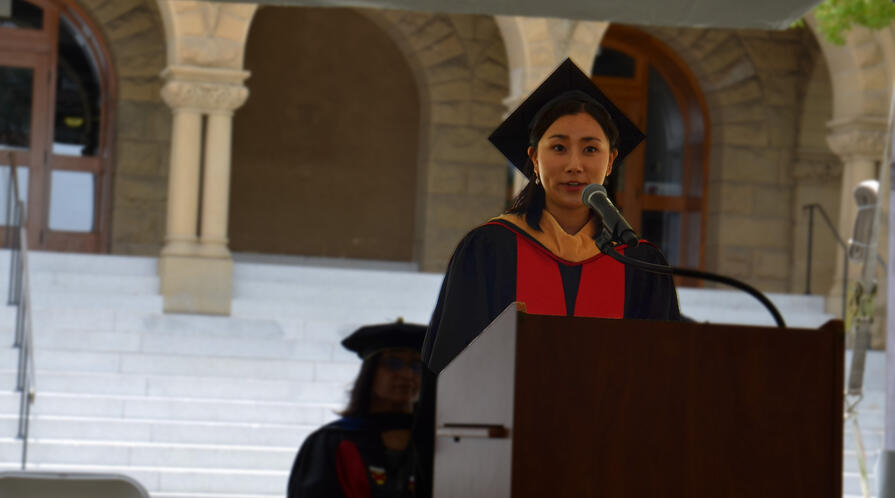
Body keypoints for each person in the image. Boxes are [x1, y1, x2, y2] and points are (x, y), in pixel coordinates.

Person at [414, 58, 683, 497]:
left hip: (610, 469)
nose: (574, 164)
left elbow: (664, 385)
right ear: (532, 160)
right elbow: (449, 371)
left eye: (590, 149)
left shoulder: (641, 264)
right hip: (503, 469)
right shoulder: (490, 249)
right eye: (558, 148)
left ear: (611, 160)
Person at [287, 320, 426, 498]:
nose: (407, 375)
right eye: (394, 363)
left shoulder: (432, 440)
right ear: (370, 372)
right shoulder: (330, 442)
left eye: (416, 366)